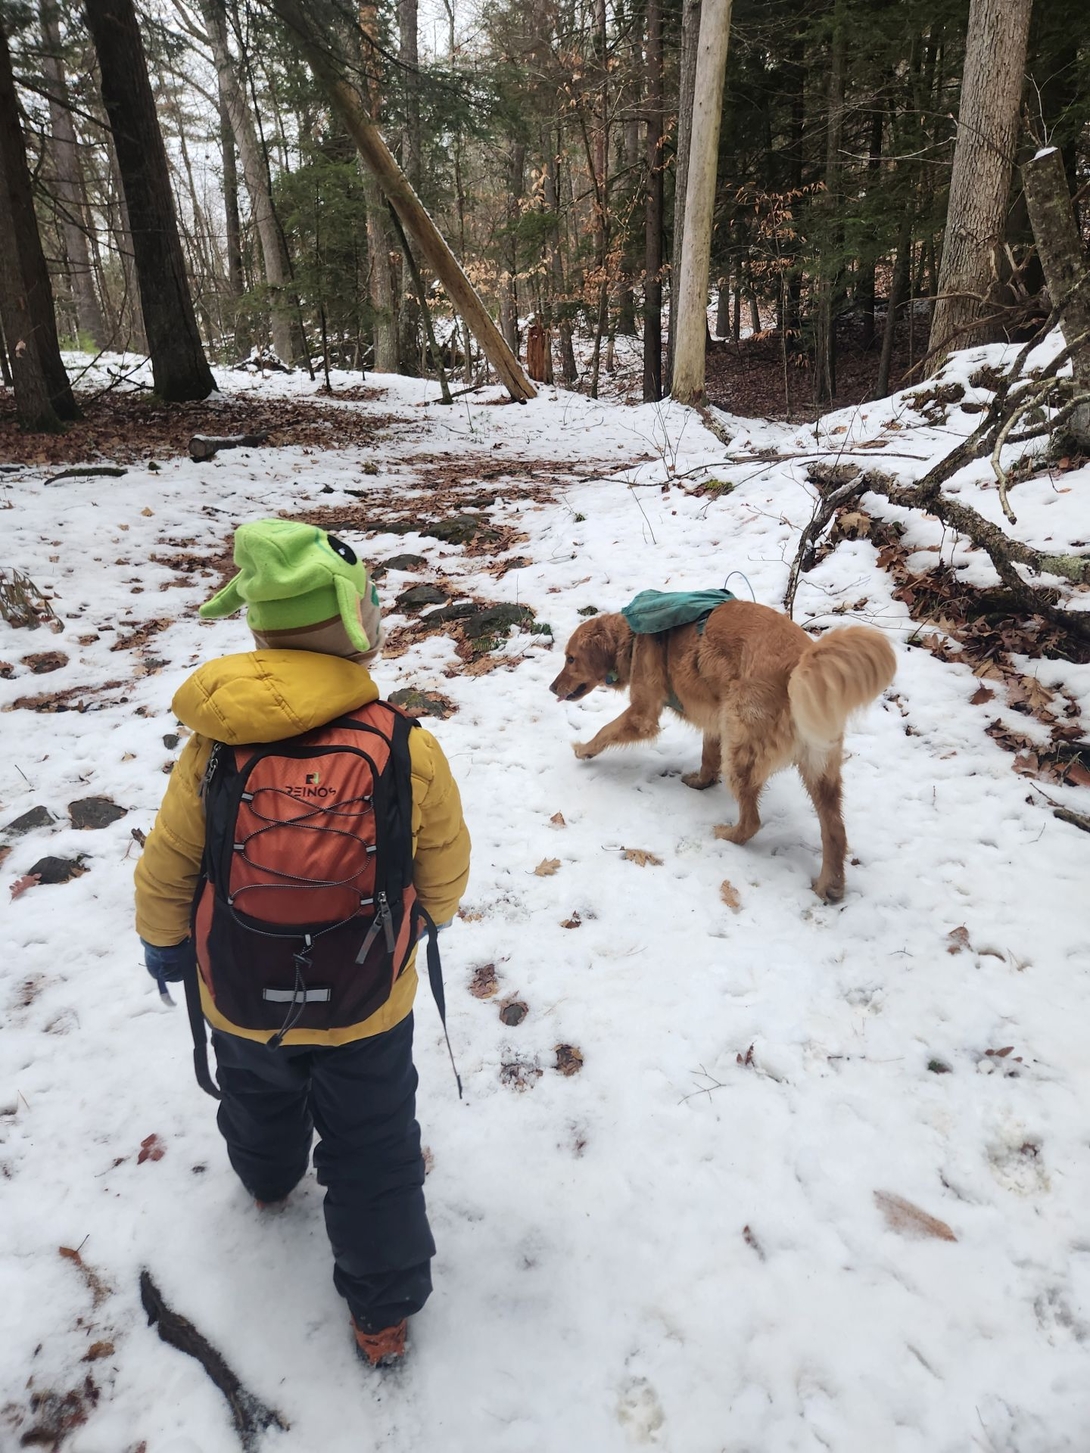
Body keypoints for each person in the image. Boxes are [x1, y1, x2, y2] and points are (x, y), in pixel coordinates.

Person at [134, 518, 470, 1367]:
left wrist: (165, 941)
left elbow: (170, 857)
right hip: (367, 1000)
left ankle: (266, 1177)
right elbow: (443, 857)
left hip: (241, 989)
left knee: (256, 1095)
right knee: (374, 1147)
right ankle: (382, 1313)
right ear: (358, 626)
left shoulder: (215, 743)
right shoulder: (404, 743)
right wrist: (427, 918)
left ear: (257, 627)